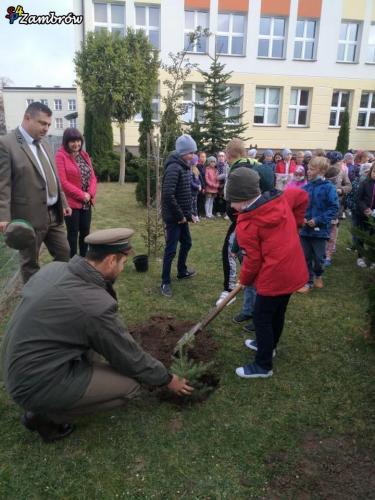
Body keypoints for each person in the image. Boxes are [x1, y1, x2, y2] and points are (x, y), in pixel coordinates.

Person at [0, 228, 193, 443]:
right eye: (122, 263)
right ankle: (45, 415)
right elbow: (129, 357)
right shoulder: (93, 306)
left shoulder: (54, 269)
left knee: (93, 342)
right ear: (110, 260)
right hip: (34, 381)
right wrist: (167, 379)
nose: (122, 269)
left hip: (15, 364)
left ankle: (53, 396)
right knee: (130, 386)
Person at [225, 168, 308, 378]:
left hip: (275, 275)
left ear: (242, 200)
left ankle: (263, 366)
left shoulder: (248, 223)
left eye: (231, 200)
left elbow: (252, 261)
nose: (231, 205)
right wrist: (296, 223)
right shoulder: (278, 200)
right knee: (277, 312)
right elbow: (301, 195)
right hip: (293, 269)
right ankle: (269, 346)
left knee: (261, 316)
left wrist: (243, 281)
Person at [0, 101, 71, 283]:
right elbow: (3, 185)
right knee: (30, 264)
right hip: (28, 218)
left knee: (64, 254)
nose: (46, 128)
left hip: (54, 215)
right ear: (27, 118)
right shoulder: (6, 144)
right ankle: (33, 301)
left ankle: (56, 289)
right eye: (42, 123)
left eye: (48, 124)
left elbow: (53, 177)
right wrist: (3, 217)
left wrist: (63, 201)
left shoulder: (46, 143)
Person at [215, 139, 275, 306]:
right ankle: (251, 284)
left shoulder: (239, 169)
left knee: (229, 251)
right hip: (263, 219)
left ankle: (229, 290)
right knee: (249, 253)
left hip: (247, 219)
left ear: (228, 154)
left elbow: (233, 198)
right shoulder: (259, 165)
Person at [160, 134, 197, 298]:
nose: (193, 156)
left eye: (193, 152)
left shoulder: (184, 166)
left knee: (187, 243)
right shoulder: (174, 167)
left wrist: (189, 215)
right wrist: (180, 216)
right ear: (182, 152)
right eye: (190, 152)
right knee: (171, 250)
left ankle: (182, 271)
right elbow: (168, 195)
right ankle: (165, 282)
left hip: (182, 217)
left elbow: (184, 194)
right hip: (174, 218)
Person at [298, 157, 339, 292]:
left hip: (320, 230)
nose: (308, 171)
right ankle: (307, 282)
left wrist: (318, 220)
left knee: (319, 257)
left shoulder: (329, 188)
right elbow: (298, 206)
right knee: (305, 256)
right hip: (304, 230)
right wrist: (301, 218)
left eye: (312, 169)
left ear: (321, 171)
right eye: (308, 168)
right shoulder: (305, 188)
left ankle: (318, 275)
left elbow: (333, 208)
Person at [56, 128, 97, 258]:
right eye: (73, 141)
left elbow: (93, 177)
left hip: (87, 202)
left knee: (85, 233)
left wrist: (90, 194)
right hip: (71, 204)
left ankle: (84, 260)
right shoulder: (60, 156)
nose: (76, 144)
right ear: (66, 142)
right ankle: (72, 262)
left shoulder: (84, 155)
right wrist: (82, 195)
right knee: (72, 235)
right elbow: (63, 182)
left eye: (78, 141)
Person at [324, 152, 352, 266]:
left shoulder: (343, 172)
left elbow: (349, 186)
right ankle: (321, 251)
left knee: (333, 230)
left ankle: (328, 255)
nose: (339, 164)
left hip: (336, 205)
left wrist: (341, 190)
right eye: (336, 162)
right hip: (322, 205)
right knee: (322, 230)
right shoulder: (323, 171)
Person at [355, 162, 375, 268]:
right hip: (362, 214)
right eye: (374, 171)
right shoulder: (364, 183)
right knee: (361, 235)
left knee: (373, 237)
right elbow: (358, 198)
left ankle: (372, 259)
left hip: (374, 217)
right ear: (371, 171)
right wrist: (365, 209)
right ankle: (360, 257)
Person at [214, 151, 229, 217]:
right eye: (219, 156)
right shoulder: (215, 165)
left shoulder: (227, 166)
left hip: (224, 184)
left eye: (222, 156)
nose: (221, 157)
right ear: (217, 157)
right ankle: (217, 211)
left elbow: (227, 175)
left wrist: (223, 183)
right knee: (217, 198)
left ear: (225, 157)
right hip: (216, 184)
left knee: (224, 198)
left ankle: (224, 211)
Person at [190, 154, 201, 222]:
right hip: (191, 191)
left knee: (195, 204)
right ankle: (192, 217)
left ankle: (196, 216)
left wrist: (200, 185)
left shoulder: (196, 169)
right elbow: (191, 182)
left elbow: (198, 179)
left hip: (196, 191)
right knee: (191, 204)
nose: (197, 162)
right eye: (196, 161)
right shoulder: (190, 171)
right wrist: (197, 186)